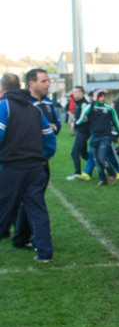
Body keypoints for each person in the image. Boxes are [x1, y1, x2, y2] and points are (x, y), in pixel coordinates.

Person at [0, 73, 56, 262]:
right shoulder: (35, 110)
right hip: (35, 167)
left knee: (3, 210)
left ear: (2, 88)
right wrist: (43, 157)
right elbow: (49, 138)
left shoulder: (4, 106)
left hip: (11, 168)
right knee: (37, 210)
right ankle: (45, 253)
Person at [11, 69, 61, 250]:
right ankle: (36, 241)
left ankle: (21, 237)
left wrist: (53, 128)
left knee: (31, 199)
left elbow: (57, 126)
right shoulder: (22, 104)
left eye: (48, 80)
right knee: (31, 200)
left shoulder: (48, 103)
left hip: (41, 160)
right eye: (44, 81)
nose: (48, 84)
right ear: (31, 83)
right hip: (23, 161)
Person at [75, 90, 119, 186]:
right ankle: (103, 180)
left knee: (101, 158)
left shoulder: (109, 109)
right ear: (96, 97)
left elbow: (116, 122)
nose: (103, 98)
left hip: (105, 137)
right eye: (100, 96)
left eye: (103, 96)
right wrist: (76, 123)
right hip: (94, 136)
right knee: (97, 160)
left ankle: (112, 173)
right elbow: (81, 118)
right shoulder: (91, 107)